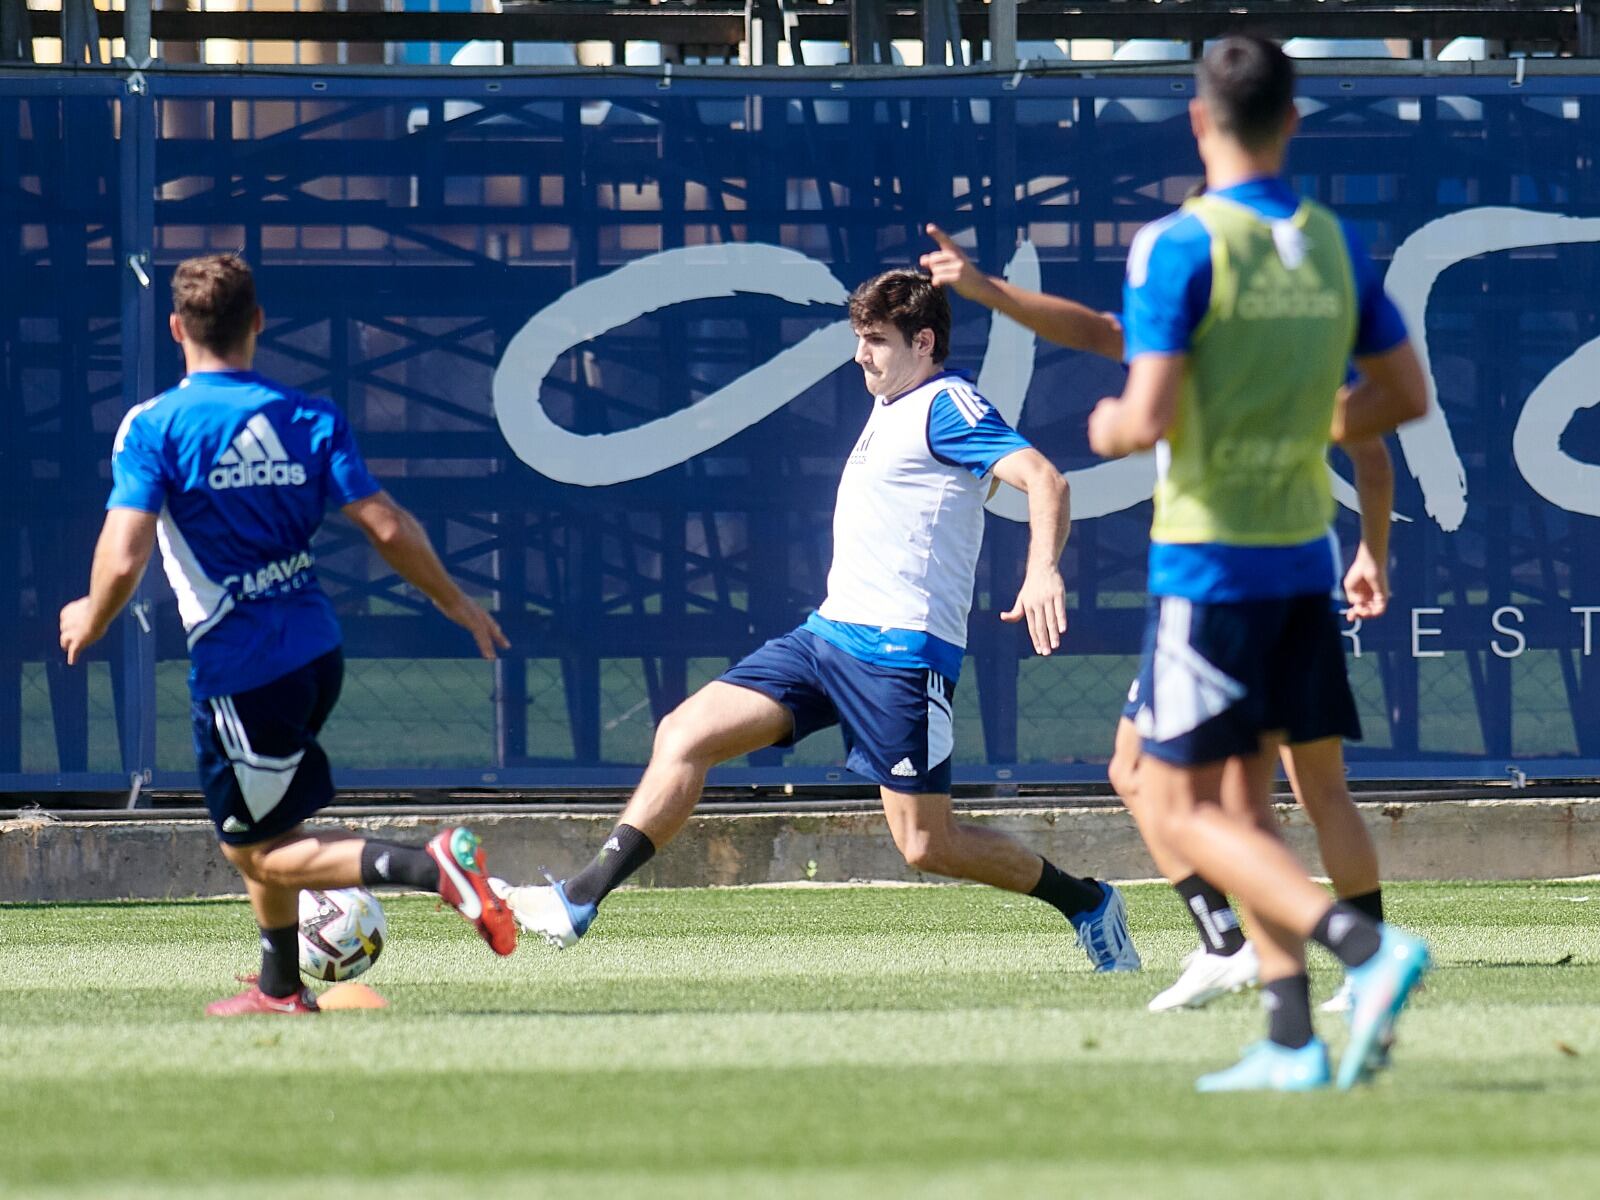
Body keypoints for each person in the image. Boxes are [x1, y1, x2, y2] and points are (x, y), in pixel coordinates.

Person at [494, 269, 1140, 972]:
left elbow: (1046, 479)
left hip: (900, 657)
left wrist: (1042, 568)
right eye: (859, 339)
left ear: (924, 342)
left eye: (876, 341)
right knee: (683, 733)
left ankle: (1085, 902)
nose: (862, 354)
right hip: (826, 638)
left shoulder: (946, 403)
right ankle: (579, 900)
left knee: (927, 844)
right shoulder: (892, 403)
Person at [921, 222, 1395, 1014]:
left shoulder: (1194, 347)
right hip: (1301, 576)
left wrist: (992, 298)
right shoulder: (1307, 351)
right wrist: (1370, 553)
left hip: (1214, 584)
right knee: (1303, 787)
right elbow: (1375, 451)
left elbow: (1104, 342)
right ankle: (1291, 960)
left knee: (1194, 791)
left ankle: (1305, 959)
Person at [1086, 35, 1432, 1090]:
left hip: (1208, 569)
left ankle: (1365, 951)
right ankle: (1291, 1038)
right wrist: (1302, 428)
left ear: (1198, 122)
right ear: (1290, 122)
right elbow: (1405, 397)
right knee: (1244, 810)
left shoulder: (1178, 244)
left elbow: (1141, 418)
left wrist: (1104, 424)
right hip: (1298, 565)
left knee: (1170, 798)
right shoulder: (1330, 241)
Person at [58, 253, 517, 1016]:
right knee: (264, 819)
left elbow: (125, 551)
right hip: (314, 652)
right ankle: (279, 987)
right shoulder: (308, 418)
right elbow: (386, 524)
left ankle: (433, 870)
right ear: (258, 324)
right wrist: (455, 601)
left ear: (176, 329)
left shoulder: (155, 426)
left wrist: (92, 616)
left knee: (256, 850)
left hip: (242, 668)